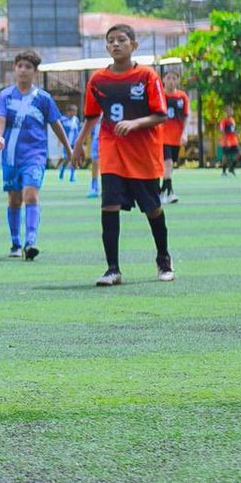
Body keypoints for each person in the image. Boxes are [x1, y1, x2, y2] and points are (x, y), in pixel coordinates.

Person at [72, 24, 173, 286]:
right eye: (111, 41)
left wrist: (135, 123)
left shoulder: (147, 76)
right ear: (107, 47)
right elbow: (92, 116)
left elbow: (161, 115)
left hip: (143, 155)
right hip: (112, 151)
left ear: (133, 45)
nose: (115, 44)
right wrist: (78, 145)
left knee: (152, 209)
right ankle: (113, 269)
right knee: (109, 205)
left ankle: (163, 260)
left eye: (121, 40)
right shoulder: (98, 80)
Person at [0, 51, 72, 260]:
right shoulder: (5, 96)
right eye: (20, 66)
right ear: (14, 69)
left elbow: (56, 124)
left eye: (28, 66)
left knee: (30, 194)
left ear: (35, 71)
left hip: (34, 155)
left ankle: (31, 242)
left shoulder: (43, 99)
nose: (23, 70)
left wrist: (69, 148)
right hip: (10, 156)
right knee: (14, 199)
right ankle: (15, 243)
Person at [160, 71, 189, 201]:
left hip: (176, 138)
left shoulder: (182, 96)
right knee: (168, 163)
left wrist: (184, 133)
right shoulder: (160, 95)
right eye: (169, 78)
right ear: (163, 80)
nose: (171, 81)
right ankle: (170, 193)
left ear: (177, 80)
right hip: (162, 136)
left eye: (174, 78)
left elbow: (186, 116)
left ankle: (161, 191)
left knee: (170, 166)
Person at [56, 104, 82, 182]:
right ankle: (62, 169)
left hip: (74, 143)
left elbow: (78, 131)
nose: (74, 113)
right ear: (69, 112)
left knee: (74, 158)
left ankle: (72, 175)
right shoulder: (63, 119)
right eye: (73, 111)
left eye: (75, 111)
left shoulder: (76, 120)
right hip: (66, 143)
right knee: (67, 158)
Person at [219, 105, 240, 176]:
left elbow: (233, 130)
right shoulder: (223, 121)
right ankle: (224, 171)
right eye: (228, 110)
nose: (230, 112)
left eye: (231, 110)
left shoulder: (232, 120)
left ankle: (232, 168)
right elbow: (222, 131)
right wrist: (226, 140)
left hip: (233, 141)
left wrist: (237, 136)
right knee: (226, 156)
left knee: (238, 154)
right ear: (225, 112)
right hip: (226, 141)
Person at [84, 118, 101, 198]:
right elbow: (89, 120)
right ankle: (94, 185)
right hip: (98, 137)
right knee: (95, 160)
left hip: (112, 136)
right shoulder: (96, 108)